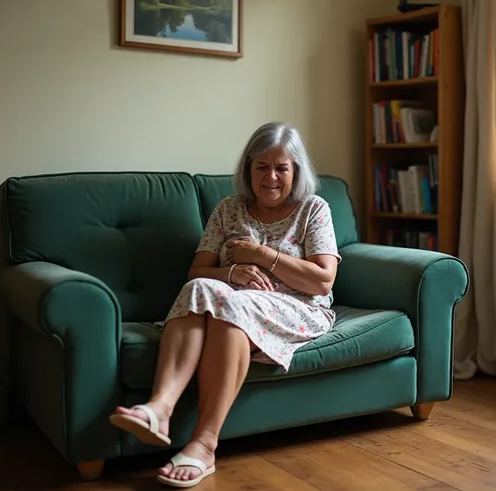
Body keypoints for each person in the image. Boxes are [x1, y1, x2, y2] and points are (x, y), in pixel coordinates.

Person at [109, 122, 341, 488]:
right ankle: (160, 408)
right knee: (204, 287)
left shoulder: (313, 208)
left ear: (296, 172)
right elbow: (196, 272)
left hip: (299, 307)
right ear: (248, 169)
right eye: (261, 166)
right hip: (234, 300)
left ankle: (204, 444)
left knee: (234, 307)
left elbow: (322, 279)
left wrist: (261, 254)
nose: (271, 177)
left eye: (282, 167)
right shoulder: (228, 209)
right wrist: (233, 272)